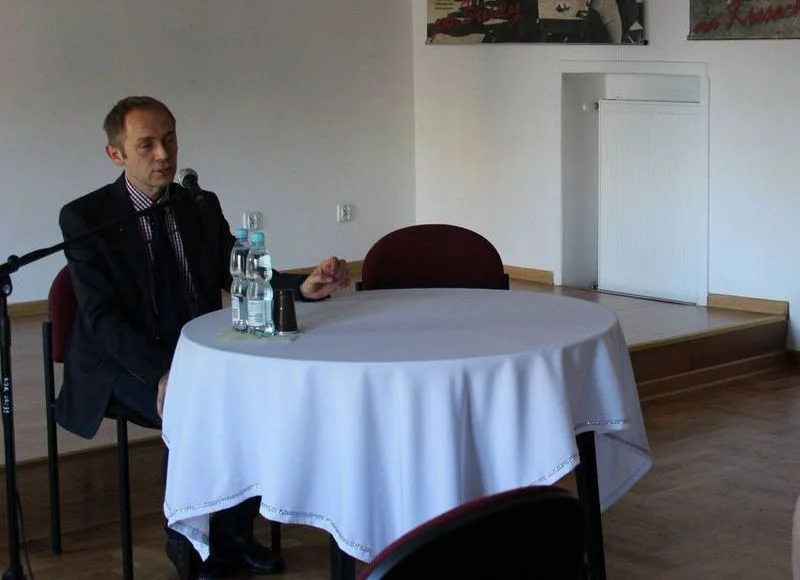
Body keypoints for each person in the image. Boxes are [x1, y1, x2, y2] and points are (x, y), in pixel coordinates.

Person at [57, 95, 350, 579]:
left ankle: (236, 533)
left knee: (254, 397)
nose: (163, 155)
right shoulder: (86, 218)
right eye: (146, 145)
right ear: (116, 154)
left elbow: (236, 273)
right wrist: (163, 370)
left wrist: (301, 288)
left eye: (169, 140)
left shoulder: (197, 204)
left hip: (196, 348)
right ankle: (190, 540)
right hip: (122, 361)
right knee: (198, 406)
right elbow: (102, 320)